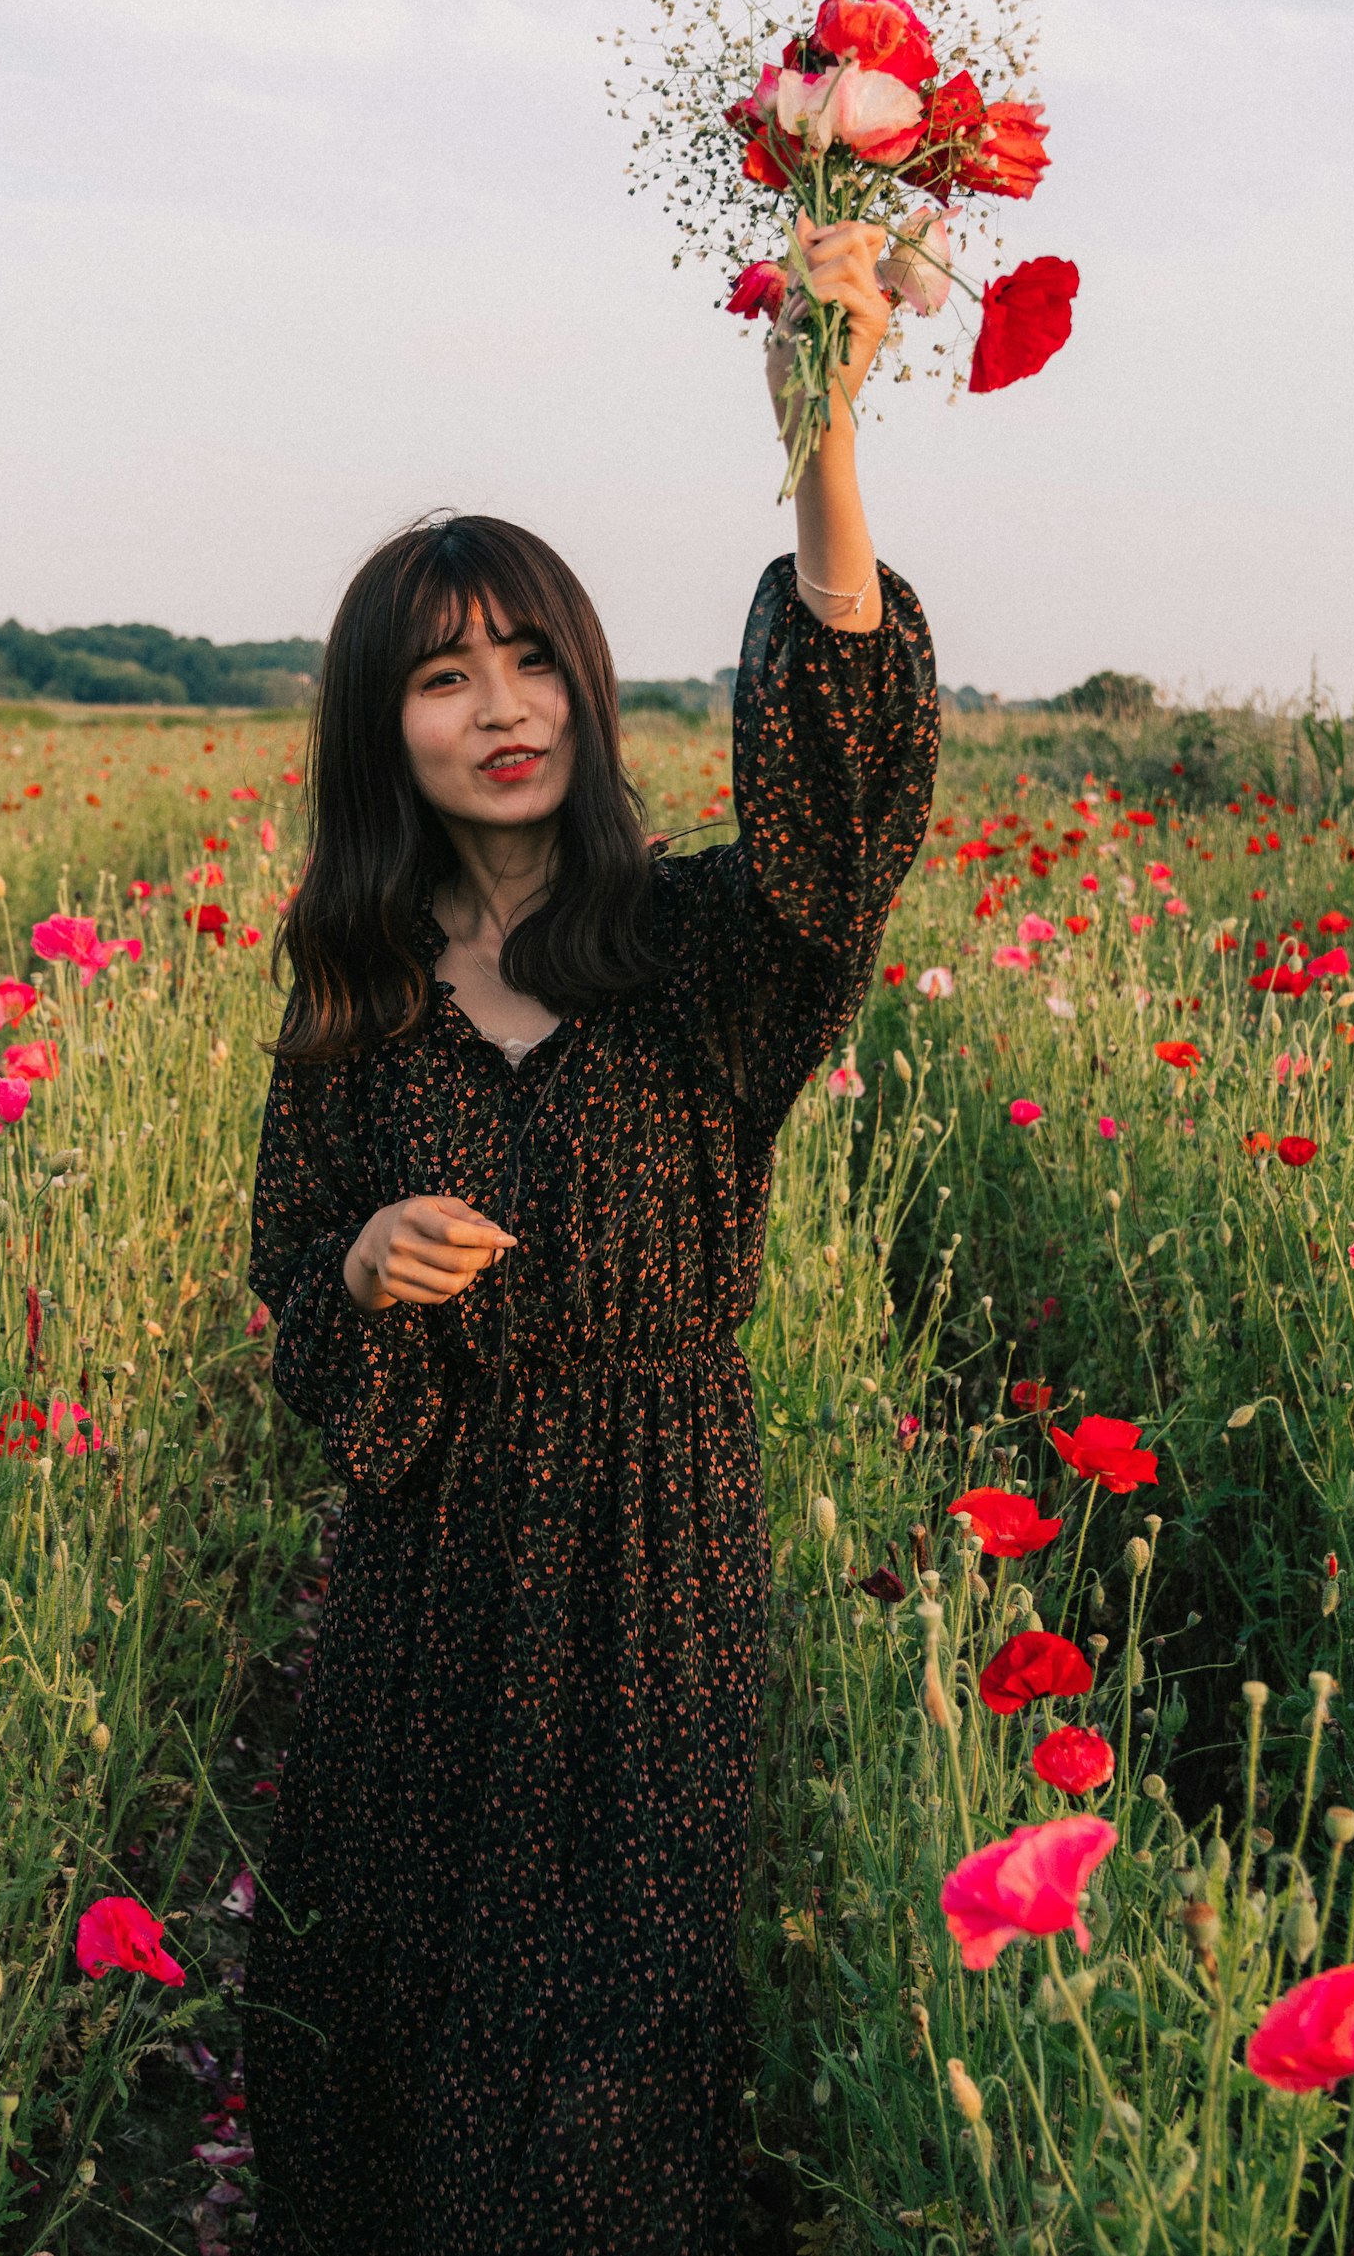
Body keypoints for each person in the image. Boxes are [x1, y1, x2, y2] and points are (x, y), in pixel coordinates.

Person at [242, 219, 941, 2253]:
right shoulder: (352, 992)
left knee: (599, 2055)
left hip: (652, 1567)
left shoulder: (707, 951)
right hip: (429, 1575)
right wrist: (365, 1269)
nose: (498, 707)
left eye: (529, 655)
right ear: (388, 730)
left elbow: (848, 823)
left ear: (587, 678)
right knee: (380, 2010)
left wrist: (823, 437)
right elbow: (302, 1304)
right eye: (444, 678)